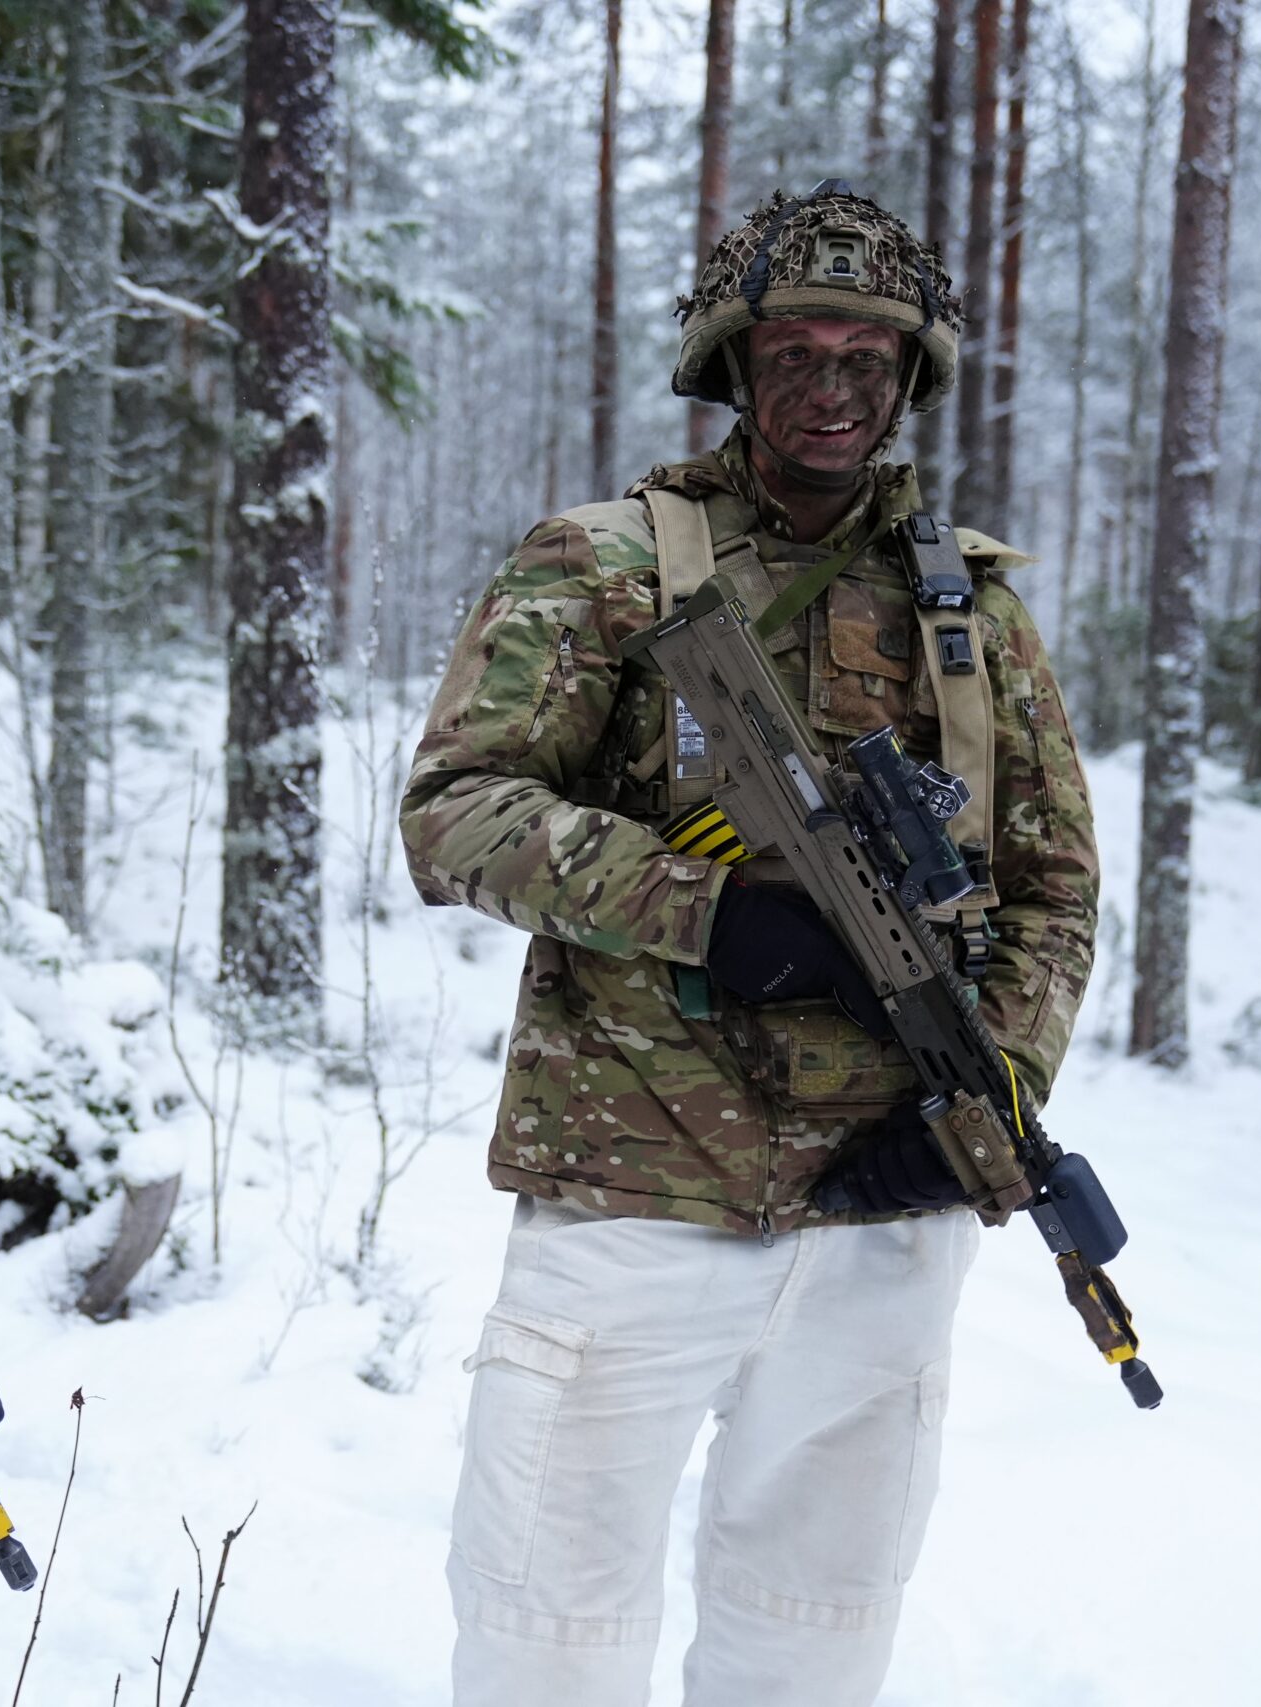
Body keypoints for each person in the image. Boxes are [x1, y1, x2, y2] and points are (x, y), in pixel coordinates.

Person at [401, 183, 1101, 1705]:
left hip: (881, 1221)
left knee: (811, 1647)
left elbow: (1053, 891)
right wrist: (713, 912)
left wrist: (996, 1096)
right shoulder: (600, 565)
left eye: (869, 358)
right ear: (734, 367)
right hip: (634, 1198)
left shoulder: (966, 609)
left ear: (910, 378)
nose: (834, 390)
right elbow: (456, 812)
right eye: (797, 355)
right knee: (546, 1641)